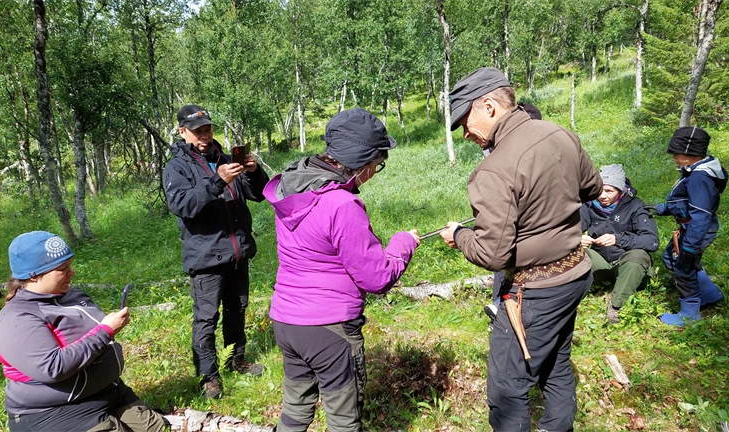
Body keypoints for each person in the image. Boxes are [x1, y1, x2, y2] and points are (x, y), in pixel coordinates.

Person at [440, 67, 602, 432]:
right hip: (576, 271)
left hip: (535, 291)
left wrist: (460, 237)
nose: (465, 133)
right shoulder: (559, 134)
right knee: (557, 364)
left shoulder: (493, 170)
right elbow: (592, 188)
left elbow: (492, 255)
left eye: (465, 121)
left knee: (508, 388)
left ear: (489, 106)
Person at [264, 108, 420, 432]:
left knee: (294, 411)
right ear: (362, 163)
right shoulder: (341, 205)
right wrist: (403, 243)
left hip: (287, 321)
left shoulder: (293, 189)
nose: (376, 172)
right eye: (378, 164)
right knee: (344, 421)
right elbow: (376, 278)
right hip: (328, 330)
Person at [0, 231, 166, 432]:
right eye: (63, 269)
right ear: (33, 276)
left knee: (157, 428)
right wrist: (105, 331)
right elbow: (52, 367)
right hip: (54, 412)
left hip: (107, 391)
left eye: (70, 265)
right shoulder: (16, 317)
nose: (72, 272)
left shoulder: (72, 295)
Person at [163, 104, 270, 399]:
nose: (204, 136)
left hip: (237, 252)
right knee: (206, 318)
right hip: (205, 256)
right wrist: (217, 181)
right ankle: (208, 375)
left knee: (237, 309)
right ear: (183, 132)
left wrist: (253, 171)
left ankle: (236, 359)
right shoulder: (177, 168)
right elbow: (182, 206)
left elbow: (259, 194)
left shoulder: (223, 159)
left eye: (207, 129)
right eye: (197, 132)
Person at [646, 126, 728, 326]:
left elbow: (700, 214)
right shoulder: (695, 170)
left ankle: (690, 314)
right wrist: (662, 208)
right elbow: (685, 202)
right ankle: (709, 294)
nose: (673, 156)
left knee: (682, 265)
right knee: (673, 257)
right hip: (691, 228)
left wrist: (690, 246)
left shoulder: (700, 178)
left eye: (676, 152)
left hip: (695, 230)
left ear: (690, 153)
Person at [483, 102, 543, 326]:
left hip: (535, 229)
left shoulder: (541, 146)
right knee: (503, 261)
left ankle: (506, 311)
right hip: (511, 219)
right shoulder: (500, 146)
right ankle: (500, 306)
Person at [580, 164, 660, 324]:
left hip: (627, 265)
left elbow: (652, 241)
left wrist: (618, 239)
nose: (602, 195)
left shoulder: (635, 206)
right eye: (599, 190)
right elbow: (565, 232)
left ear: (621, 190)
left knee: (638, 255)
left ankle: (616, 306)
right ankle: (568, 295)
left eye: (609, 191)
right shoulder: (588, 205)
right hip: (599, 264)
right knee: (571, 249)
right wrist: (576, 239)